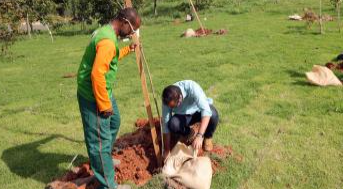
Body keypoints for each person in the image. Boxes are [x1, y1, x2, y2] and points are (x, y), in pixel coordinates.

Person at [76, 8, 141, 189]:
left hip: (104, 90)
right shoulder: (107, 42)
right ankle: (108, 184)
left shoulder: (107, 34)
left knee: (114, 122)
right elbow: (97, 75)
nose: (132, 34)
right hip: (94, 95)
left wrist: (128, 49)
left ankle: (103, 158)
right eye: (132, 30)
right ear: (124, 23)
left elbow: (109, 58)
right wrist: (104, 106)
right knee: (99, 141)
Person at [161, 80, 219, 159]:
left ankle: (208, 137)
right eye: (171, 107)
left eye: (174, 106)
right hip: (183, 116)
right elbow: (166, 124)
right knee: (173, 124)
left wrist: (199, 136)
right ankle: (188, 133)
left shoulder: (192, 87)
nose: (172, 108)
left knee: (213, 114)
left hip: (198, 111)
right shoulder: (167, 100)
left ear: (180, 98)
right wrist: (167, 150)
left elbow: (206, 111)